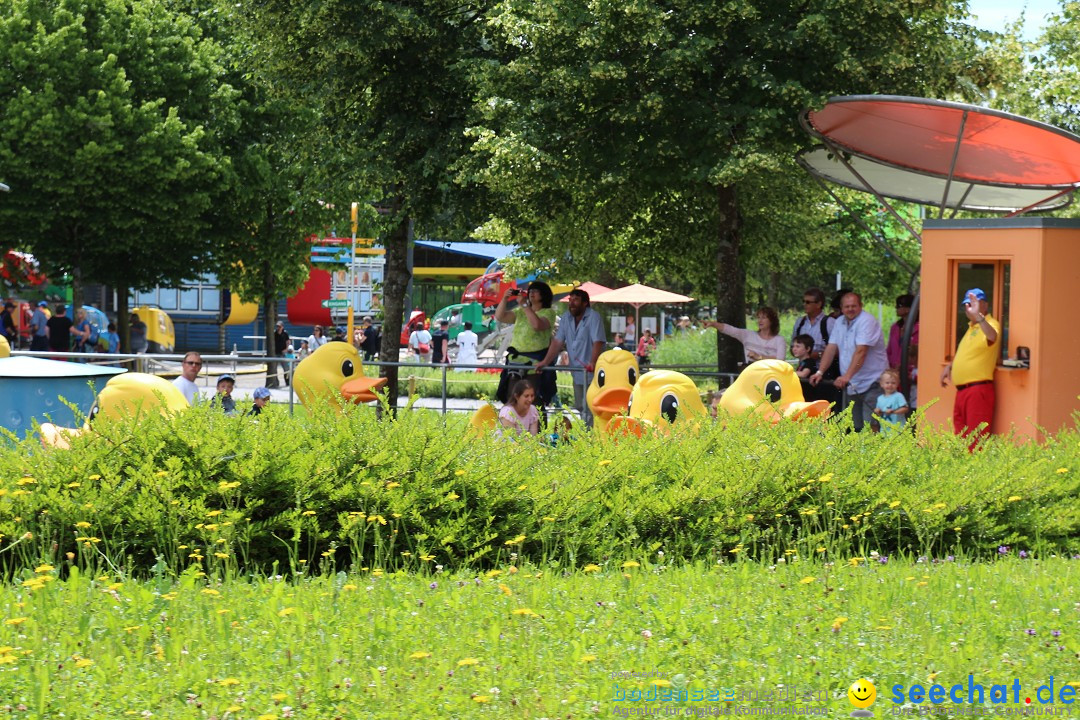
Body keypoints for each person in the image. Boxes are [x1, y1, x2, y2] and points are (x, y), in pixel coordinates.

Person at [810, 292, 889, 432]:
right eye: (847, 306)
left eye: (854, 306)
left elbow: (861, 352)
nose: (850, 309)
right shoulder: (840, 322)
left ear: (861, 306)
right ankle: (859, 453)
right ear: (841, 307)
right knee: (854, 426)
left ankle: (873, 453)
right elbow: (831, 347)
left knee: (870, 425)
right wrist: (820, 372)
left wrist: (846, 376)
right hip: (853, 383)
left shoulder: (867, 321)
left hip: (872, 381)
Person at [535, 288, 606, 428]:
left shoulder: (594, 317)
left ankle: (591, 435)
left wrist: (593, 362)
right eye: (570, 300)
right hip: (577, 371)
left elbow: (598, 341)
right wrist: (545, 361)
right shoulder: (566, 317)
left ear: (585, 303)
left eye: (576, 300)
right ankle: (588, 433)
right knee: (580, 405)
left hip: (592, 372)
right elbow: (557, 342)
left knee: (590, 406)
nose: (571, 303)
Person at [940, 288, 1000, 450]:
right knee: (961, 437)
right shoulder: (971, 328)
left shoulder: (990, 324)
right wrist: (950, 366)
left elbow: (992, 337)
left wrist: (979, 318)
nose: (970, 308)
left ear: (985, 305)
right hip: (963, 391)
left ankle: (976, 474)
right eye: (967, 304)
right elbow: (968, 353)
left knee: (976, 440)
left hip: (977, 389)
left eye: (974, 303)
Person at [703, 307, 786, 364]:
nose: (760, 320)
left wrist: (759, 357)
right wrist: (713, 324)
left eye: (763, 318)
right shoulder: (747, 335)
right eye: (758, 317)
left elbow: (780, 361)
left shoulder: (779, 340)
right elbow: (730, 329)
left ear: (772, 321)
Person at [792, 288, 835, 361]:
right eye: (803, 301)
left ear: (818, 304)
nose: (804, 304)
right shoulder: (800, 322)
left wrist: (815, 355)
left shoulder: (830, 323)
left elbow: (838, 350)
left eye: (808, 302)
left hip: (823, 370)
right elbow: (792, 347)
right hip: (803, 369)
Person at [873, 368, 909, 436]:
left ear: (897, 384)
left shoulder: (898, 396)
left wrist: (893, 412)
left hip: (898, 429)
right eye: (887, 383)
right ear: (881, 384)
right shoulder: (880, 398)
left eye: (893, 383)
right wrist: (877, 411)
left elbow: (905, 409)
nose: (890, 385)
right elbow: (879, 414)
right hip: (884, 430)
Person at [887, 294, 919, 369]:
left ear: (908, 308)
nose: (896, 308)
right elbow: (889, 351)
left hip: (911, 373)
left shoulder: (921, 328)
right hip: (895, 372)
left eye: (899, 305)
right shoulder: (895, 327)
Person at [270, 321, 290, 388]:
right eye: (277, 326)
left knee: (286, 369)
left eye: (279, 326)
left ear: (282, 327)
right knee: (274, 369)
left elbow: (288, 342)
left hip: (282, 353)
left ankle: (287, 382)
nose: (278, 328)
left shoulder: (285, 333)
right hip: (275, 353)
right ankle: (276, 383)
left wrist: (286, 349)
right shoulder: (274, 333)